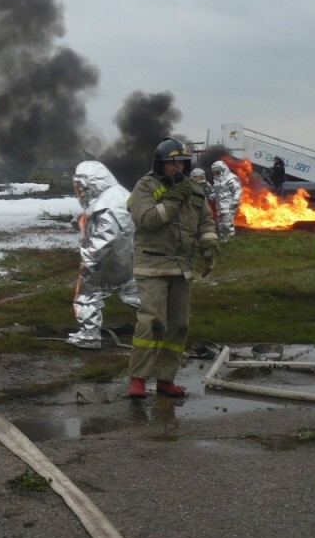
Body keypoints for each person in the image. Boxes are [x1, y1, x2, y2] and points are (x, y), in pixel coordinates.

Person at [127, 138, 218, 399]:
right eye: (171, 164)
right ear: (159, 165)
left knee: (178, 326)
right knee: (152, 322)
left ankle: (166, 379)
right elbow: (147, 220)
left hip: (182, 268)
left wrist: (209, 247)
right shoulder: (146, 186)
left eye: (181, 163)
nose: (176, 168)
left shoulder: (193, 190)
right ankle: (138, 380)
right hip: (152, 266)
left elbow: (206, 222)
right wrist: (173, 201)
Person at [67, 161, 140, 349]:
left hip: (109, 261)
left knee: (87, 294)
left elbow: (106, 237)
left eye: (82, 186)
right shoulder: (120, 194)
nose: (80, 191)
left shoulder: (106, 204)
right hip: (129, 257)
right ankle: (164, 322)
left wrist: (89, 257)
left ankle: (89, 335)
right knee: (132, 292)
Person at [210, 159, 243, 243]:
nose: (216, 173)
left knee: (227, 223)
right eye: (215, 171)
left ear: (223, 169)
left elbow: (237, 190)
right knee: (220, 224)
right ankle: (223, 238)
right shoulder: (217, 179)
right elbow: (218, 191)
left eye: (217, 171)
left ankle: (230, 239)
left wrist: (235, 201)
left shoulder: (231, 178)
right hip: (220, 206)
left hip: (229, 205)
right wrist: (213, 194)